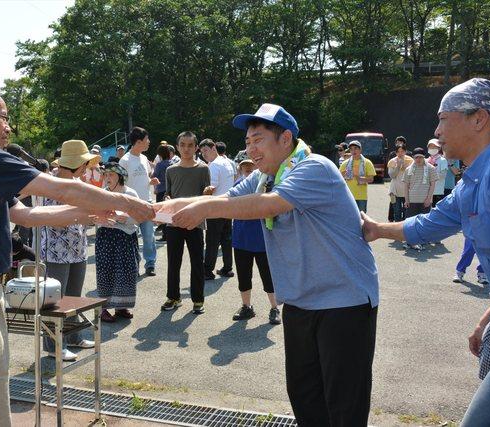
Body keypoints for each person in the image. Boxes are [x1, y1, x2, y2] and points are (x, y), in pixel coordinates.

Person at [0, 83, 153, 426]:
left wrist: (88, 215)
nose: (8, 128)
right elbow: (58, 187)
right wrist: (126, 201)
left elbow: (27, 216)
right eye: (3, 117)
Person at [156, 103, 379, 426]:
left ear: (285, 139)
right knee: (305, 395)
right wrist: (149, 210)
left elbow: (270, 205)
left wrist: (204, 211)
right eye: (247, 141)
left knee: (343, 404)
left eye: (258, 139)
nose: (250, 148)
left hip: (344, 301)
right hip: (301, 301)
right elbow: (223, 200)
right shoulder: (264, 177)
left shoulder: (313, 168)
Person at [361, 77, 490, 427]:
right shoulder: (473, 182)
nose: (436, 130)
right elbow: (429, 225)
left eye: (443, 118)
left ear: (479, 118)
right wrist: (377, 229)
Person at [41, 139, 103, 361]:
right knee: (55, 301)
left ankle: (74, 337)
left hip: (77, 249)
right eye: (84, 163)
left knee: (74, 297)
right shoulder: (51, 184)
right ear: (76, 163)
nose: (87, 168)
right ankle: (53, 346)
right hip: (56, 252)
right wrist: (83, 213)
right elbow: (52, 219)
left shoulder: (77, 183)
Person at [160, 131, 210, 314]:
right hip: (173, 223)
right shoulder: (170, 170)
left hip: (195, 222)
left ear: (196, 147)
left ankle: (198, 300)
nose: (186, 148)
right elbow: (169, 194)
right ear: (178, 146)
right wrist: (166, 198)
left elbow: (205, 196)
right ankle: (173, 297)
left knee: (197, 262)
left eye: (190, 145)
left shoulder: (203, 168)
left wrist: (207, 194)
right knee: (174, 262)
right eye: (183, 144)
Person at [231, 159, 280, 325]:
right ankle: (246, 306)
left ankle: (275, 308)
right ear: (240, 169)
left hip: (263, 239)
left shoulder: (267, 182)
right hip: (241, 238)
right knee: (243, 276)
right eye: (244, 168)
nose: (248, 170)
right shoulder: (238, 184)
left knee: (268, 276)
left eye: (251, 167)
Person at [95, 162, 141, 322]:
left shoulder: (130, 193)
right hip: (106, 237)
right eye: (105, 175)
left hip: (125, 237)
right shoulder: (102, 194)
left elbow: (139, 215)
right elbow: (96, 217)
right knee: (106, 272)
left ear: (119, 177)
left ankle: (121, 307)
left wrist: (127, 218)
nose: (107, 178)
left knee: (126, 271)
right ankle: (104, 309)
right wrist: (108, 218)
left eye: (111, 175)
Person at [119, 126, 159, 276]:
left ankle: (150, 264)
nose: (149, 142)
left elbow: (145, 178)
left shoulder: (143, 158)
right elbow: (121, 184)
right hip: (131, 206)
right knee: (131, 237)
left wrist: (151, 181)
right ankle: (133, 264)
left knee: (149, 236)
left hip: (146, 203)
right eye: (147, 140)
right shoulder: (125, 161)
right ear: (138, 141)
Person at [199, 138, 235, 280]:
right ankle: (227, 268)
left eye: (206, 151)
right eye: (202, 152)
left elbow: (210, 189)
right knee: (226, 239)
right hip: (228, 206)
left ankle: (207, 270)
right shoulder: (227, 162)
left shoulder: (213, 166)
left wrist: (199, 200)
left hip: (215, 208)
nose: (204, 154)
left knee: (212, 240)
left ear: (214, 148)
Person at [402, 147, 438, 251]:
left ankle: (421, 241)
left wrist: (429, 198)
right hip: (412, 199)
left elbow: (432, 185)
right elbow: (406, 186)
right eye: (416, 157)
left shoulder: (431, 168)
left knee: (423, 222)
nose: (418, 159)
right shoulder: (409, 169)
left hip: (425, 200)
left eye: (420, 157)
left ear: (424, 157)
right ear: (413, 158)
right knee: (409, 223)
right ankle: (409, 241)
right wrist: (406, 200)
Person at [339, 140, 376, 212]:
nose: (353, 151)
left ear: (360, 149)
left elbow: (371, 179)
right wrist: (342, 176)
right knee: (350, 217)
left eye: (355, 148)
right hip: (349, 196)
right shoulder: (345, 163)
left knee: (362, 219)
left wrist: (360, 178)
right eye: (351, 149)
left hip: (362, 196)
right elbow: (338, 178)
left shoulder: (367, 162)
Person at [387, 144, 413, 222]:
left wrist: (406, 168)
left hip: (407, 190)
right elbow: (392, 176)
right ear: (396, 152)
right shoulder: (392, 161)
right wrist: (398, 166)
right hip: (395, 190)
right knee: (397, 211)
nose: (400, 153)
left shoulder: (411, 161)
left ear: (405, 151)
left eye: (402, 151)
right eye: (398, 151)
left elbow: (412, 176)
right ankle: (397, 228)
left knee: (407, 211)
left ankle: (405, 229)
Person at [152, 144, 172, 242]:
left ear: (160, 154)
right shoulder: (172, 163)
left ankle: (165, 235)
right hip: (171, 190)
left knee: (162, 214)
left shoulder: (159, 165)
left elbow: (154, 176)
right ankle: (171, 234)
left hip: (161, 190)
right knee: (171, 212)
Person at [427, 138, 448, 207]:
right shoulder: (426, 160)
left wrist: (431, 176)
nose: (432, 148)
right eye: (430, 147)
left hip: (438, 191)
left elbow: (443, 175)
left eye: (434, 147)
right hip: (427, 192)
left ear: (439, 148)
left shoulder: (443, 160)